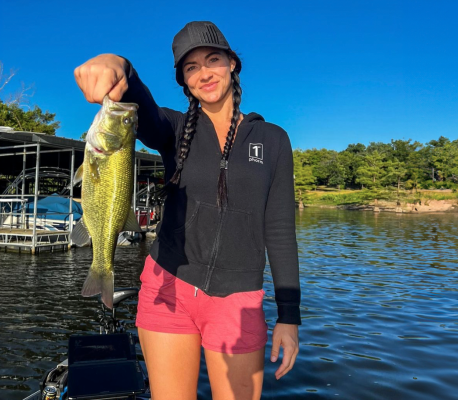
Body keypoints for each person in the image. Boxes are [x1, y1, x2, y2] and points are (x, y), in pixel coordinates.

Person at [75, 21, 300, 400]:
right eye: (191, 67)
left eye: (213, 60)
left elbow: (279, 229)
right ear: (183, 80)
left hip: (238, 301)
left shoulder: (273, 140)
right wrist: (120, 66)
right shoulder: (174, 128)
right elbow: (142, 108)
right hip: (167, 289)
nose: (204, 73)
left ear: (232, 63)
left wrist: (289, 315)